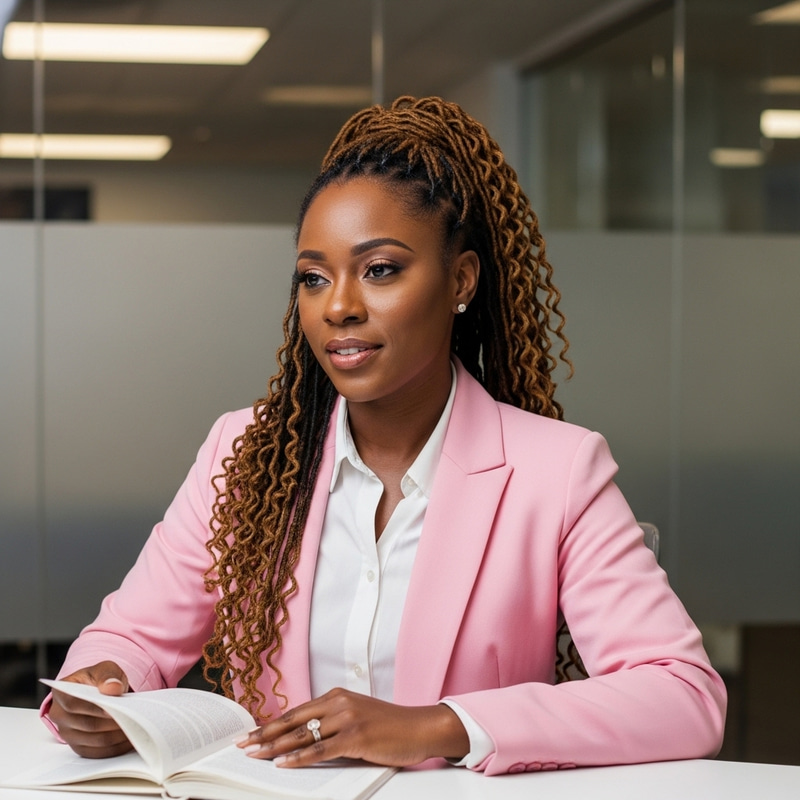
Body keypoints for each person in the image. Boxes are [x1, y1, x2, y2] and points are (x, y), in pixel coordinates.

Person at [43, 96, 726, 775]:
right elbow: (128, 637)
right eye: (313, 277)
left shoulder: (557, 471)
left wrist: (436, 726)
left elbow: (682, 694)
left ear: (460, 280)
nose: (338, 306)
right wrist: (105, 688)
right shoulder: (244, 453)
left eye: (380, 270)